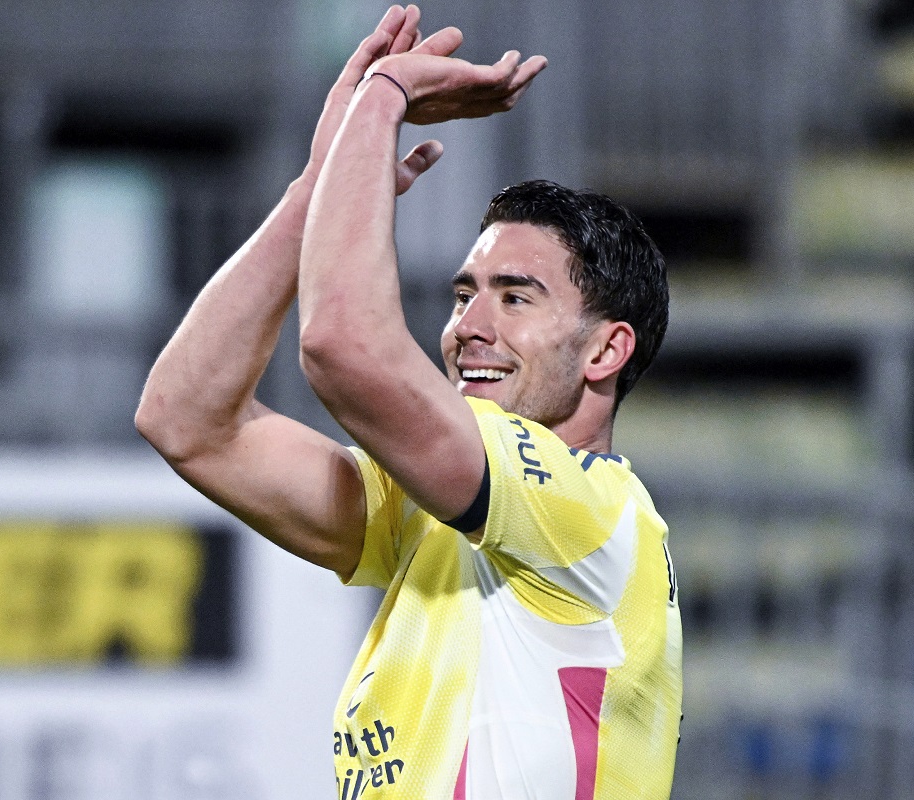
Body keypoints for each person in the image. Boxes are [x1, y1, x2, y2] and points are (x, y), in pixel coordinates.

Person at [135, 6, 681, 797]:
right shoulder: (436, 515)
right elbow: (186, 420)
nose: (469, 328)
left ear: (607, 350)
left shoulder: (588, 513)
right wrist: (316, 190)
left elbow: (343, 349)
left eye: (515, 298)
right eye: (466, 294)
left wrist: (384, 96)